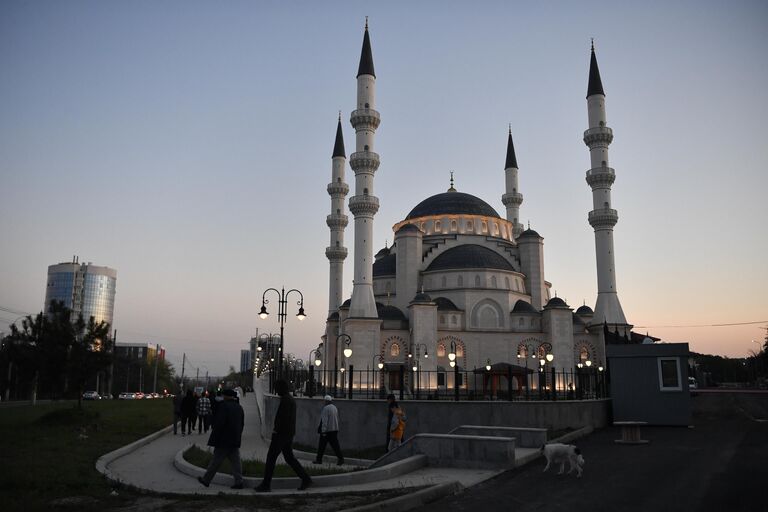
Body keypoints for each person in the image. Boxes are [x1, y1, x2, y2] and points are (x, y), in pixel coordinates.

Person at [254, 379, 312, 492]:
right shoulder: (289, 399)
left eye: (277, 388)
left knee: (271, 458)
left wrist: (276, 431)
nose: (276, 390)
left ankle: (266, 485)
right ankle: (306, 479)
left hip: (281, 434)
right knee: (289, 458)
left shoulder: (286, 400)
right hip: (287, 434)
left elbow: (284, 419)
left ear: (281, 388)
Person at [197, 389, 245, 489]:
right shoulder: (239, 407)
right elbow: (242, 424)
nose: (223, 397)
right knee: (236, 462)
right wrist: (238, 435)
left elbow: (219, 423)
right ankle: (239, 481)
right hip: (234, 438)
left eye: (224, 395)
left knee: (216, 460)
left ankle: (206, 480)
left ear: (227, 396)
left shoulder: (224, 406)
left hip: (223, 439)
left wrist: (215, 436)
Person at [313, 395, 344, 466]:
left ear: (326, 401)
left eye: (324, 401)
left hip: (327, 431)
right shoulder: (334, 408)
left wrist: (323, 431)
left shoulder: (326, 408)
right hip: (334, 429)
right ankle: (341, 459)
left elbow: (324, 421)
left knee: (321, 446)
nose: (324, 402)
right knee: (336, 446)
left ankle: (319, 460)